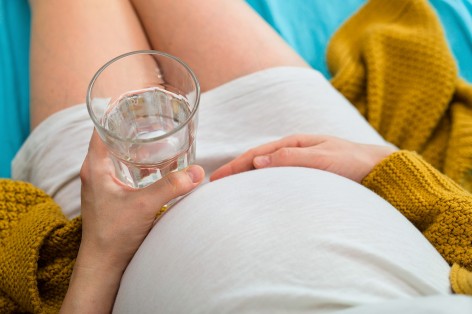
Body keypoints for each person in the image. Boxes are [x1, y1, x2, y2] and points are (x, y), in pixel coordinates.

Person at [1, 0, 471, 313]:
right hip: (320, 153)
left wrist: (100, 255)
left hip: (116, 226)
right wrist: (382, 165)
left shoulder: (104, 243)